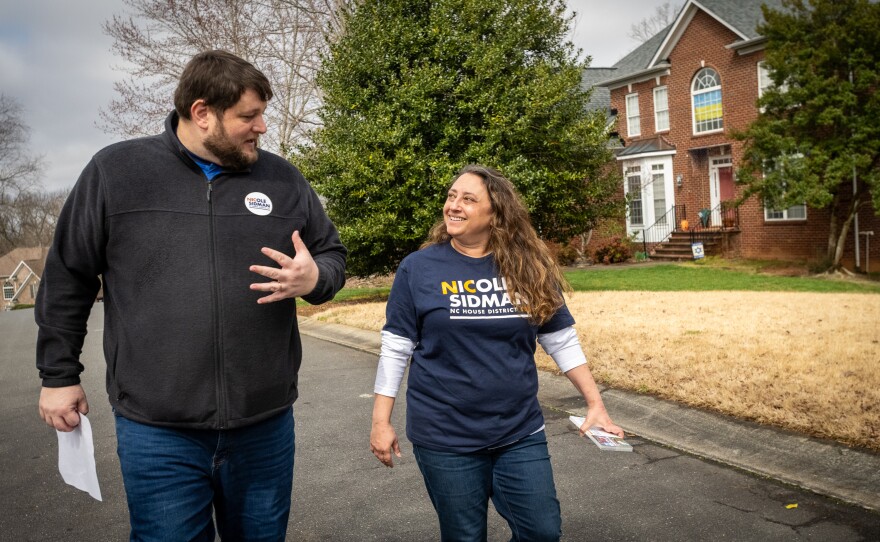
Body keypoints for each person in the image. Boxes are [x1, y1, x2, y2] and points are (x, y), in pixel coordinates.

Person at [36, 50, 346, 541]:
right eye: (249, 115)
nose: (262, 127)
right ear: (202, 113)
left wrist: (317, 279)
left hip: (262, 424)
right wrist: (58, 375)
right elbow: (67, 277)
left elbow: (330, 252)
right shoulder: (116, 172)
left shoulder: (281, 178)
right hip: (159, 430)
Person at [370, 165, 623, 541]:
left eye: (468, 199)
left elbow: (560, 339)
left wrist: (595, 404)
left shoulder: (527, 267)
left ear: (496, 213)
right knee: (465, 536)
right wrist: (380, 421)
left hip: (518, 430)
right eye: (452, 196)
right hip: (445, 436)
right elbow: (396, 347)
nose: (453, 206)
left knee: (541, 530)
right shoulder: (419, 268)